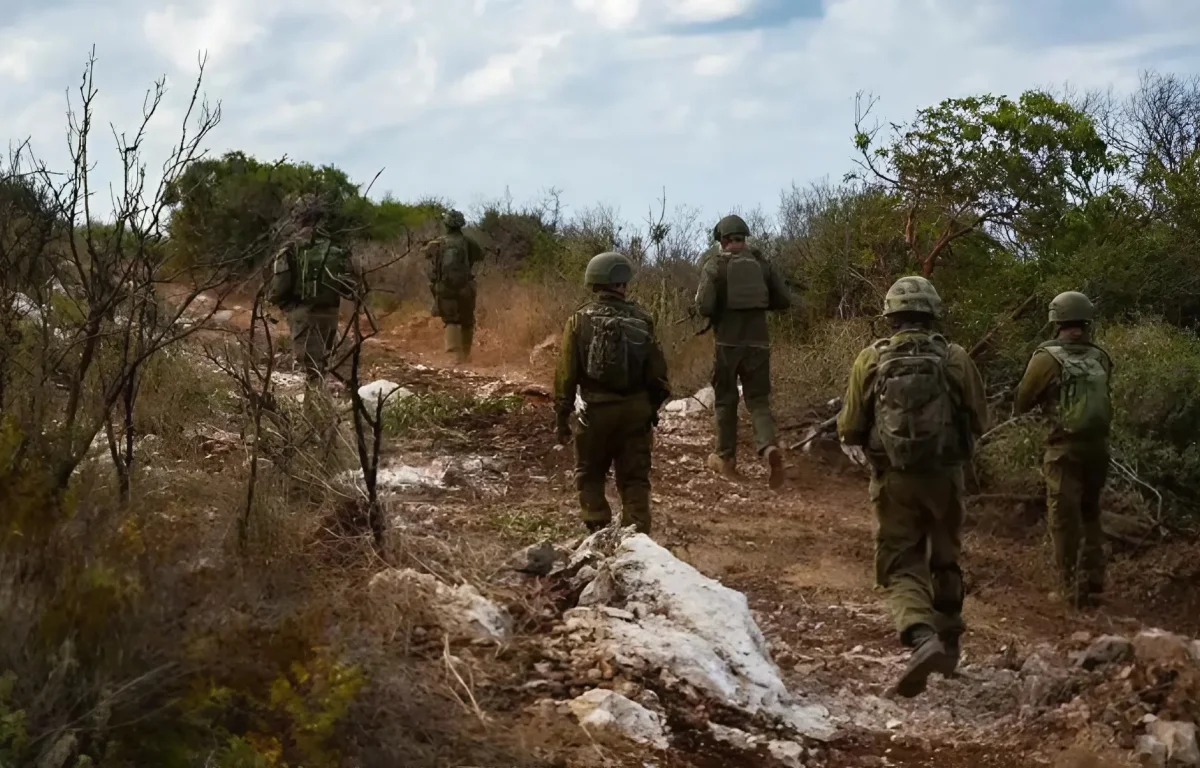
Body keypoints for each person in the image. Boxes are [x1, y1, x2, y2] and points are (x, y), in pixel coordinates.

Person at [837, 276, 988, 697]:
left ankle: (922, 640)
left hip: (895, 480)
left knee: (902, 562)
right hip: (946, 477)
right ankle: (951, 645)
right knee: (945, 558)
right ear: (931, 312)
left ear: (890, 316)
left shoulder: (870, 359)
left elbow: (849, 428)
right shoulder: (955, 357)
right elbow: (980, 419)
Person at [553, 252, 670, 535]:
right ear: (623, 283)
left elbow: (566, 375)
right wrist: (649, 409)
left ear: (594, 283)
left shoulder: (578, 321)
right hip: (635, 412)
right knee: (634, 480)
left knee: (590, 473)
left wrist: (562, 416)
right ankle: (637, 538)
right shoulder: (643, 319)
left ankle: (597, 531)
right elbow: (658, 374)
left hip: (595, 412)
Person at [1014, 291, 1113, 608]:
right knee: (1090, 510)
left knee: (1063, 516)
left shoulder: (1047, 357)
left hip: (1063, 448)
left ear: (1055, 320)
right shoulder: (1100, 356)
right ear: (1086, 321)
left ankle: (1069, 587)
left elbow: (1023, 400)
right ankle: (1094, 579)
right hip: (1098, 447)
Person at [694, 214, 791, 488]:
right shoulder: (761, 265)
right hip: (758, 343)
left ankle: (725, 458)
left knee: (725, 400)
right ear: (743, 238)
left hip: (727, 344)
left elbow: (704, 306)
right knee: (758, 400)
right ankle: (768, 447)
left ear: (722, 240)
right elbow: (784, 299)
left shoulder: (715, 266)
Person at [269, 194, 355, 385]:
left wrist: (280, 303)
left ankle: (315, 413)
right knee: (322, 367)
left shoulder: (291, 248)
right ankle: (322, 408)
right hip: (330, 315)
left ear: (297, 218)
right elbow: (350, 287)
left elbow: (280, 286)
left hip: (303, 315)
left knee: (311, 374)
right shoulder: (335, 247)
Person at [424, 209, 484, 363]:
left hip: (444, 287)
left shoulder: (437, 243)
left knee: (451, 320)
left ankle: (453, 355)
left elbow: (425, 254)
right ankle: (465, 355)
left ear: (447, 225)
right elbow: (480, 256)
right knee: (467, 320)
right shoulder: (468, 242)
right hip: (465, 287)